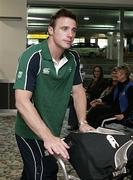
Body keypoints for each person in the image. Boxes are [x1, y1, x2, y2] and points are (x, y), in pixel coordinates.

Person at [14, 8, 94, 180]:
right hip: (29, 132)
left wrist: (82, 121)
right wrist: (48, 137)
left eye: (73, 30)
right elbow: (21, 102)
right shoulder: (33, 56)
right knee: (42, 173)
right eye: (64, 28)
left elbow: (78, 90)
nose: (70, 34)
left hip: (53, 130)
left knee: (43, 171)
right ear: (50, 30)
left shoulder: (73, 58)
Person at [88, 64, 133, 129]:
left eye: (118, 73)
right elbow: (111, 97)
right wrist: (100, 100)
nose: (116, 75)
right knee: (95, 110)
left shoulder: (130, 87)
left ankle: (96, 136)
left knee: (101, 120)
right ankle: (88, 130)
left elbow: (132, 105)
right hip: (114, 109)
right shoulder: (119, 84)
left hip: (122, 114)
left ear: (124, 75)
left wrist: (124, 115)